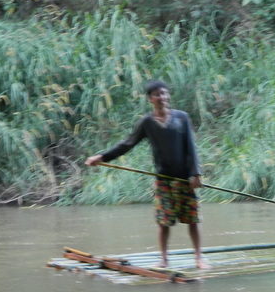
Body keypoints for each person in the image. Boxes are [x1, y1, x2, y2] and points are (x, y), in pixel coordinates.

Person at [85, 80, 211, 269]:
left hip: (185, 178)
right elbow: (127, 144)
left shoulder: (181, 118)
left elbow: (190, 147)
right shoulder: (147, 122)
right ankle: (164, 259)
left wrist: (196, 173)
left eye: (165, 93)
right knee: (163, 222)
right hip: (163, 179)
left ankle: (199, 258)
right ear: (151, 99)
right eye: (158, 94)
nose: (162, 97)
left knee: (193, 219)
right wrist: (102, 157)